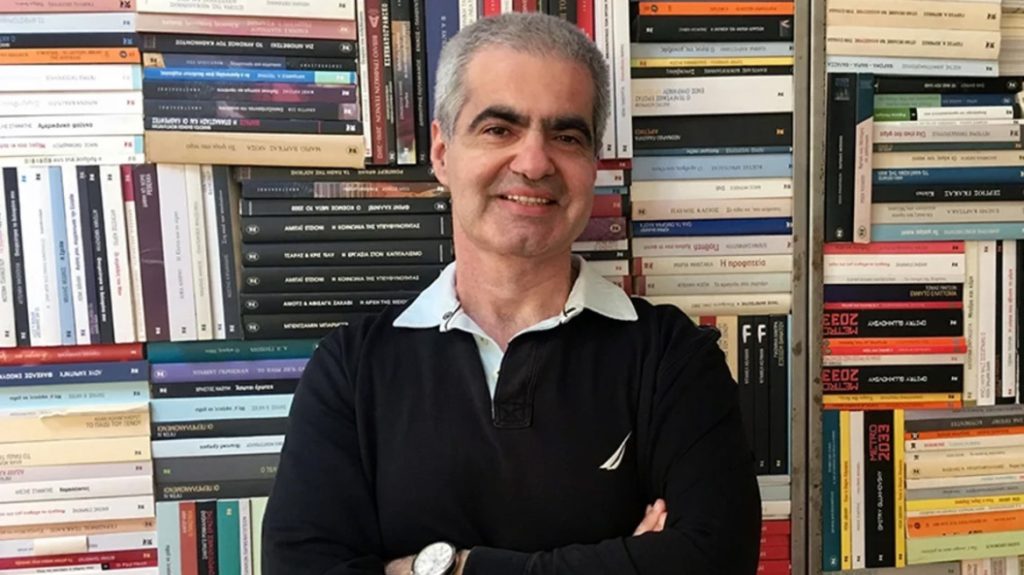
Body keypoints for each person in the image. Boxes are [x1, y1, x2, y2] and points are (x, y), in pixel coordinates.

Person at [262, 11, 762, 575]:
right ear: (442, 153)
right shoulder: (352, 370)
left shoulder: (674, 357)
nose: (533, 162)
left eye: (566, 136)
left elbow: (715, 560)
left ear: (593, 163)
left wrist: (447, 568)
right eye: (499, 129)